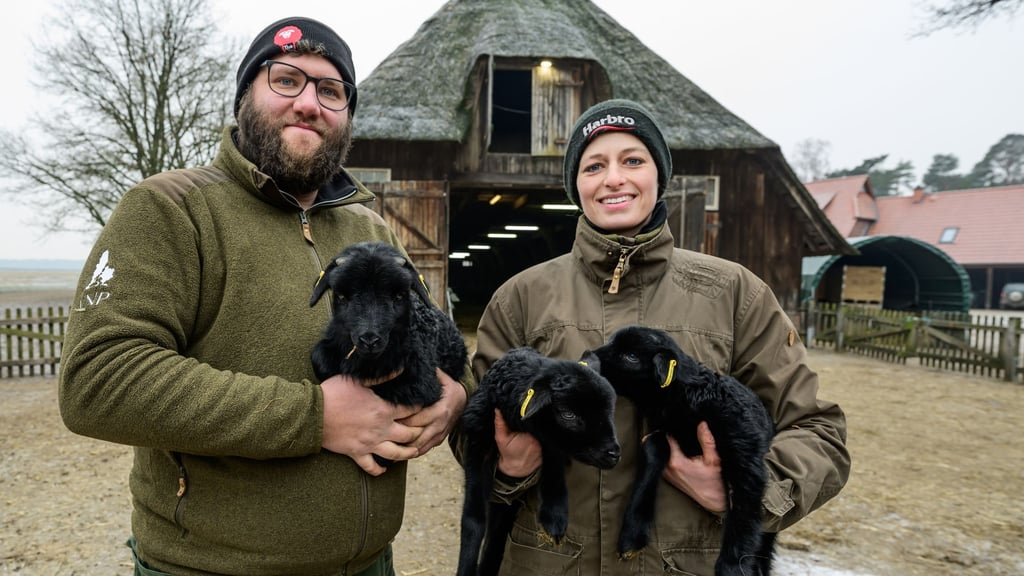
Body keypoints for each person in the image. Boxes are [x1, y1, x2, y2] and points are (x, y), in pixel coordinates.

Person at [58, 16, 470, 576]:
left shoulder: (371, 230)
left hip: (372, 564)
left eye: (331, 90)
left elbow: (431, 332)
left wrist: (454, 395)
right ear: (245, 95)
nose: (309, 103)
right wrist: (314, 416)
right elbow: (98, 380)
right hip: (211, 568)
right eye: (286, 79)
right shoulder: (170, 209)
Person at [467, 99, 850, 574]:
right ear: (576, 186)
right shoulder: (521, 297)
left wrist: (745, 491)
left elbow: (817, 430)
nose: (614, 178)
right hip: (548, 561)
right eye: (594, 166)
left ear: (658, 175)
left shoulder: (735, 293)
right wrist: (507, 467)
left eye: (633, 160)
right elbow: (473, 427)